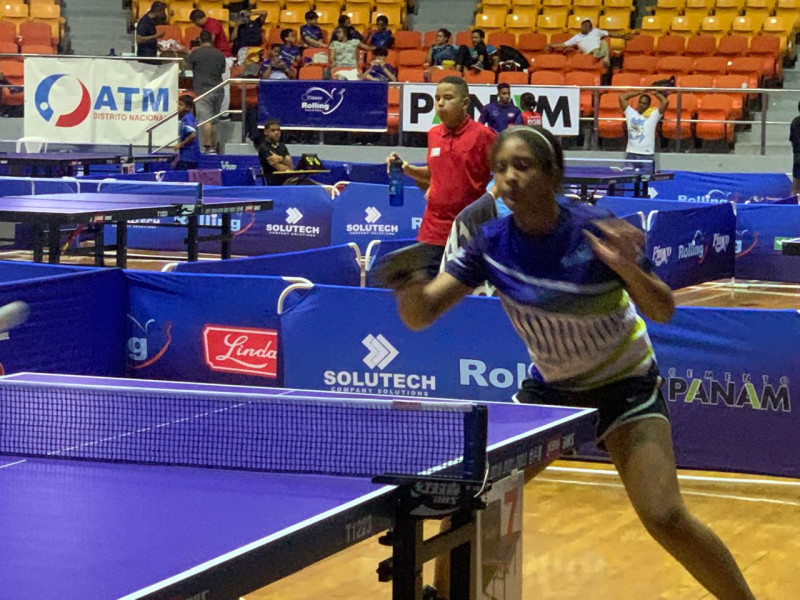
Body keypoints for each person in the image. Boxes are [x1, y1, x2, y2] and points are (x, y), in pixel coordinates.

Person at [382, 126, 757, 600]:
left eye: (523, 165)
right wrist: (407, 282)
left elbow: (662, 309)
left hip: (626, 387)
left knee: (665, 517)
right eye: (500, 169)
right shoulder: (489, 241)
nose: (510, 177)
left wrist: (626, 266)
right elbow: (423, 314)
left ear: (552, 173)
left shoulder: (594, 229)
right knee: (470, 499)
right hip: (551, 393)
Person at [386, 76, 497, 277]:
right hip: (433, 229)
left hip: (469, 230)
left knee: (465, 296)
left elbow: (504, 173)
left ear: (465, 103)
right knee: (427, 294)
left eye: (448, 98)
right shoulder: (433, 134)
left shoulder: (484, 135)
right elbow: (435, 174)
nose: (440, 103)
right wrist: (406, 169)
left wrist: (490, 202)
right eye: (437, 98)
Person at [185, 30, 226, 153]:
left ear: (200, 40)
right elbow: (223, 70)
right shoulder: (219, 54)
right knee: (214, 120)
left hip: (203, 90)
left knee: (205, 120)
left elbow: (186, 65)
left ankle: (207, 147)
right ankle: (213, 146)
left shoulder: (196, 53)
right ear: (211, 39)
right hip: (218, 89)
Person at [190, 9, 234, 119]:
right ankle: (215, 112)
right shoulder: (207, 26)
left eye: (195, 22)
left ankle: (224, 113)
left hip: (222, 56)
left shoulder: (212, 24)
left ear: (198, 19)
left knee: (223, 85)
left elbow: (210, 41)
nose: (195, 25)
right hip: (214, 57)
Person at [547, 19, 630, 68]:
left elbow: (610, 34)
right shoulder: (577, 37)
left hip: (599, 49)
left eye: (588, 26)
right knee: (602, 46)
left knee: (603, 42)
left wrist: (622, 36)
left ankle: (604, 56)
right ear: (581, 26)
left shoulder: (596, 31)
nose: (585, 27)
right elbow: (564, 44)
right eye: (584, 25)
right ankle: (605, 57)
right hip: (589, 53)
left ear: (591, 28)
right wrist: (551, 45)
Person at [619, 89, 668, 167]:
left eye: (644, 103)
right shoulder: (630, 113)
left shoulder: (653, 115)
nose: (641, 105)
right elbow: (622, 98)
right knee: (630, 178)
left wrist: (655, 93)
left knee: (646, 178)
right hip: (631, 154)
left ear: (648, 105)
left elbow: (665, 102)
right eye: (640, 102)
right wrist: (639, 92)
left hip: (647, 155)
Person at [257, 118, 294, 185]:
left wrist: (280, 159)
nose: (276, 133)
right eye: (273, 130)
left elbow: (291, 165)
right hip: (273, 183)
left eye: (278, 130)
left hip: (287, 181)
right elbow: (279, 168)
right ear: (265, 132)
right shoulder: (263, 148)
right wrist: (286, 162)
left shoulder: (282, 146)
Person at [173, 94, 200, 170]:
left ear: (187, 107)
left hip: (188, 156)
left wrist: (180, 144)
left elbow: (193, 135)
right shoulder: (188, 117)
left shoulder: (187, 118)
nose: (178, 106)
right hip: (189, 155)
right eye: (178, 104)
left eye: (181, 105)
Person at [789, 101, 800, 193]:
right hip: (799, 158)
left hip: (797, 158)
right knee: (796, 187)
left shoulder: (795, 122)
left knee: (796, 187)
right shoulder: (796, 123)